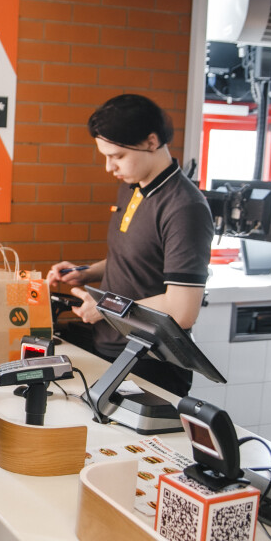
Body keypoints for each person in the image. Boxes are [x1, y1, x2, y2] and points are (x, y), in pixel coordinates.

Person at [46, 94, 213, 398]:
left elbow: (182, 309)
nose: (109, 167)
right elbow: (136, 258)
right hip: (111, 347)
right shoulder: (133, 187)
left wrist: (106, 307)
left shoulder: (185, 208)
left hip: (151, 361)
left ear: (151, 142)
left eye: (118, 156)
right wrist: (86, 272)